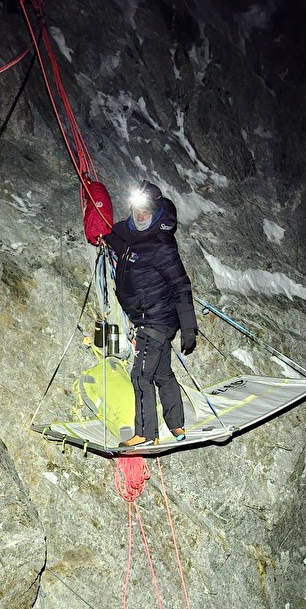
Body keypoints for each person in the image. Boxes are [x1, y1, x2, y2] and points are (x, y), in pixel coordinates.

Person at [104, 183, 198, 448]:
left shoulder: (161, 244)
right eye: (137, 210)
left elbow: (181, 285)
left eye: (146, 212)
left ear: (155, 212)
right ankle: (176, 423)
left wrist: (189, 327)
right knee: (162, 374)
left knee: (140, 376)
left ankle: (146, 435)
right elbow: (120, 242)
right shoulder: (132, 235)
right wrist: (104, 235)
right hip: (149, 319)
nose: (140, 216)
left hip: (155, 321)